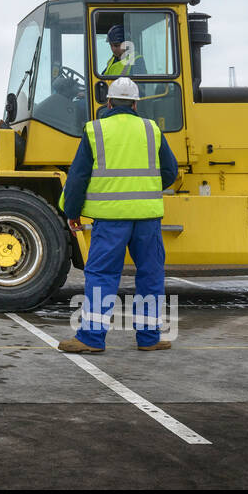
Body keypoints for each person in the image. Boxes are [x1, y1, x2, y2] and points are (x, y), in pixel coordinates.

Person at [58, 77, 178, 353]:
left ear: (108, 102)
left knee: (102, 275)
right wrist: (144, 189)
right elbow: (170, 171)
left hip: (110, 219)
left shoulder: (95, 130)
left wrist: (72, 211)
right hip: (147, 218)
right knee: (150, 275)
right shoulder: (151, 129)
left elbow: (78, 177)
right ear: (136, 104)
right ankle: (149, 339)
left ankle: (92, 338)